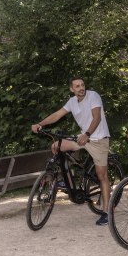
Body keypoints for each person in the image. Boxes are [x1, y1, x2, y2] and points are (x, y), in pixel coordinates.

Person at [31, 77, 111, 226]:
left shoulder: (93, 96)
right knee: (56, 146)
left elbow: (97, 117)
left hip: (98, 139)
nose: (81, 88)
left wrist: (87, 134)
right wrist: (39, 124)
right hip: (82, 138)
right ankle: (64, 179)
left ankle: (106, 212)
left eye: (82, 85)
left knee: (102, 176)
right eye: (77, 86)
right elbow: (57, 115)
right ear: (72, 89)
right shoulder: (72, 102)